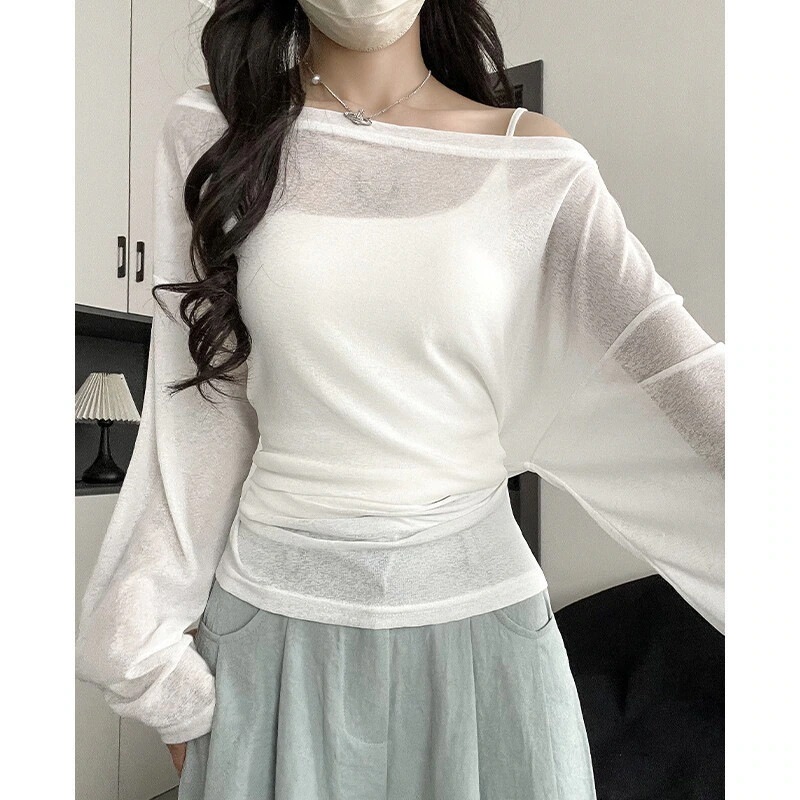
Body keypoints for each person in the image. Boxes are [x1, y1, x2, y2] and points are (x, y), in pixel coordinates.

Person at [75, 1, 725, 798]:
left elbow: (679, 375)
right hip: (271, 633)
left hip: (483, 640)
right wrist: (145, 654)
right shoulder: (219, 133)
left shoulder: (536, 161)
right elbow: (198, 413)